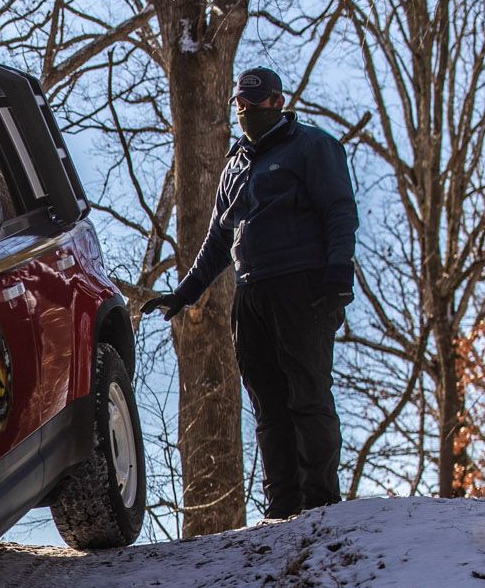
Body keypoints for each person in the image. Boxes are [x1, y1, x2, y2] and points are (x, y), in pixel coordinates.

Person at [142, 67, 359, 520]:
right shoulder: (235, 165)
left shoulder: (312, 147)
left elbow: (340, 210)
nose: (247, 111)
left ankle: (321, 502)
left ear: (278, 103)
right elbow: (218, 240)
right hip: (250, 293)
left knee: (308, 393)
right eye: (240, 104)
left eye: (256, 104)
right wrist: (185, 294)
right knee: (267, 403)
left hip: (303, 287)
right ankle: (283, 507)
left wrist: (339, 274)